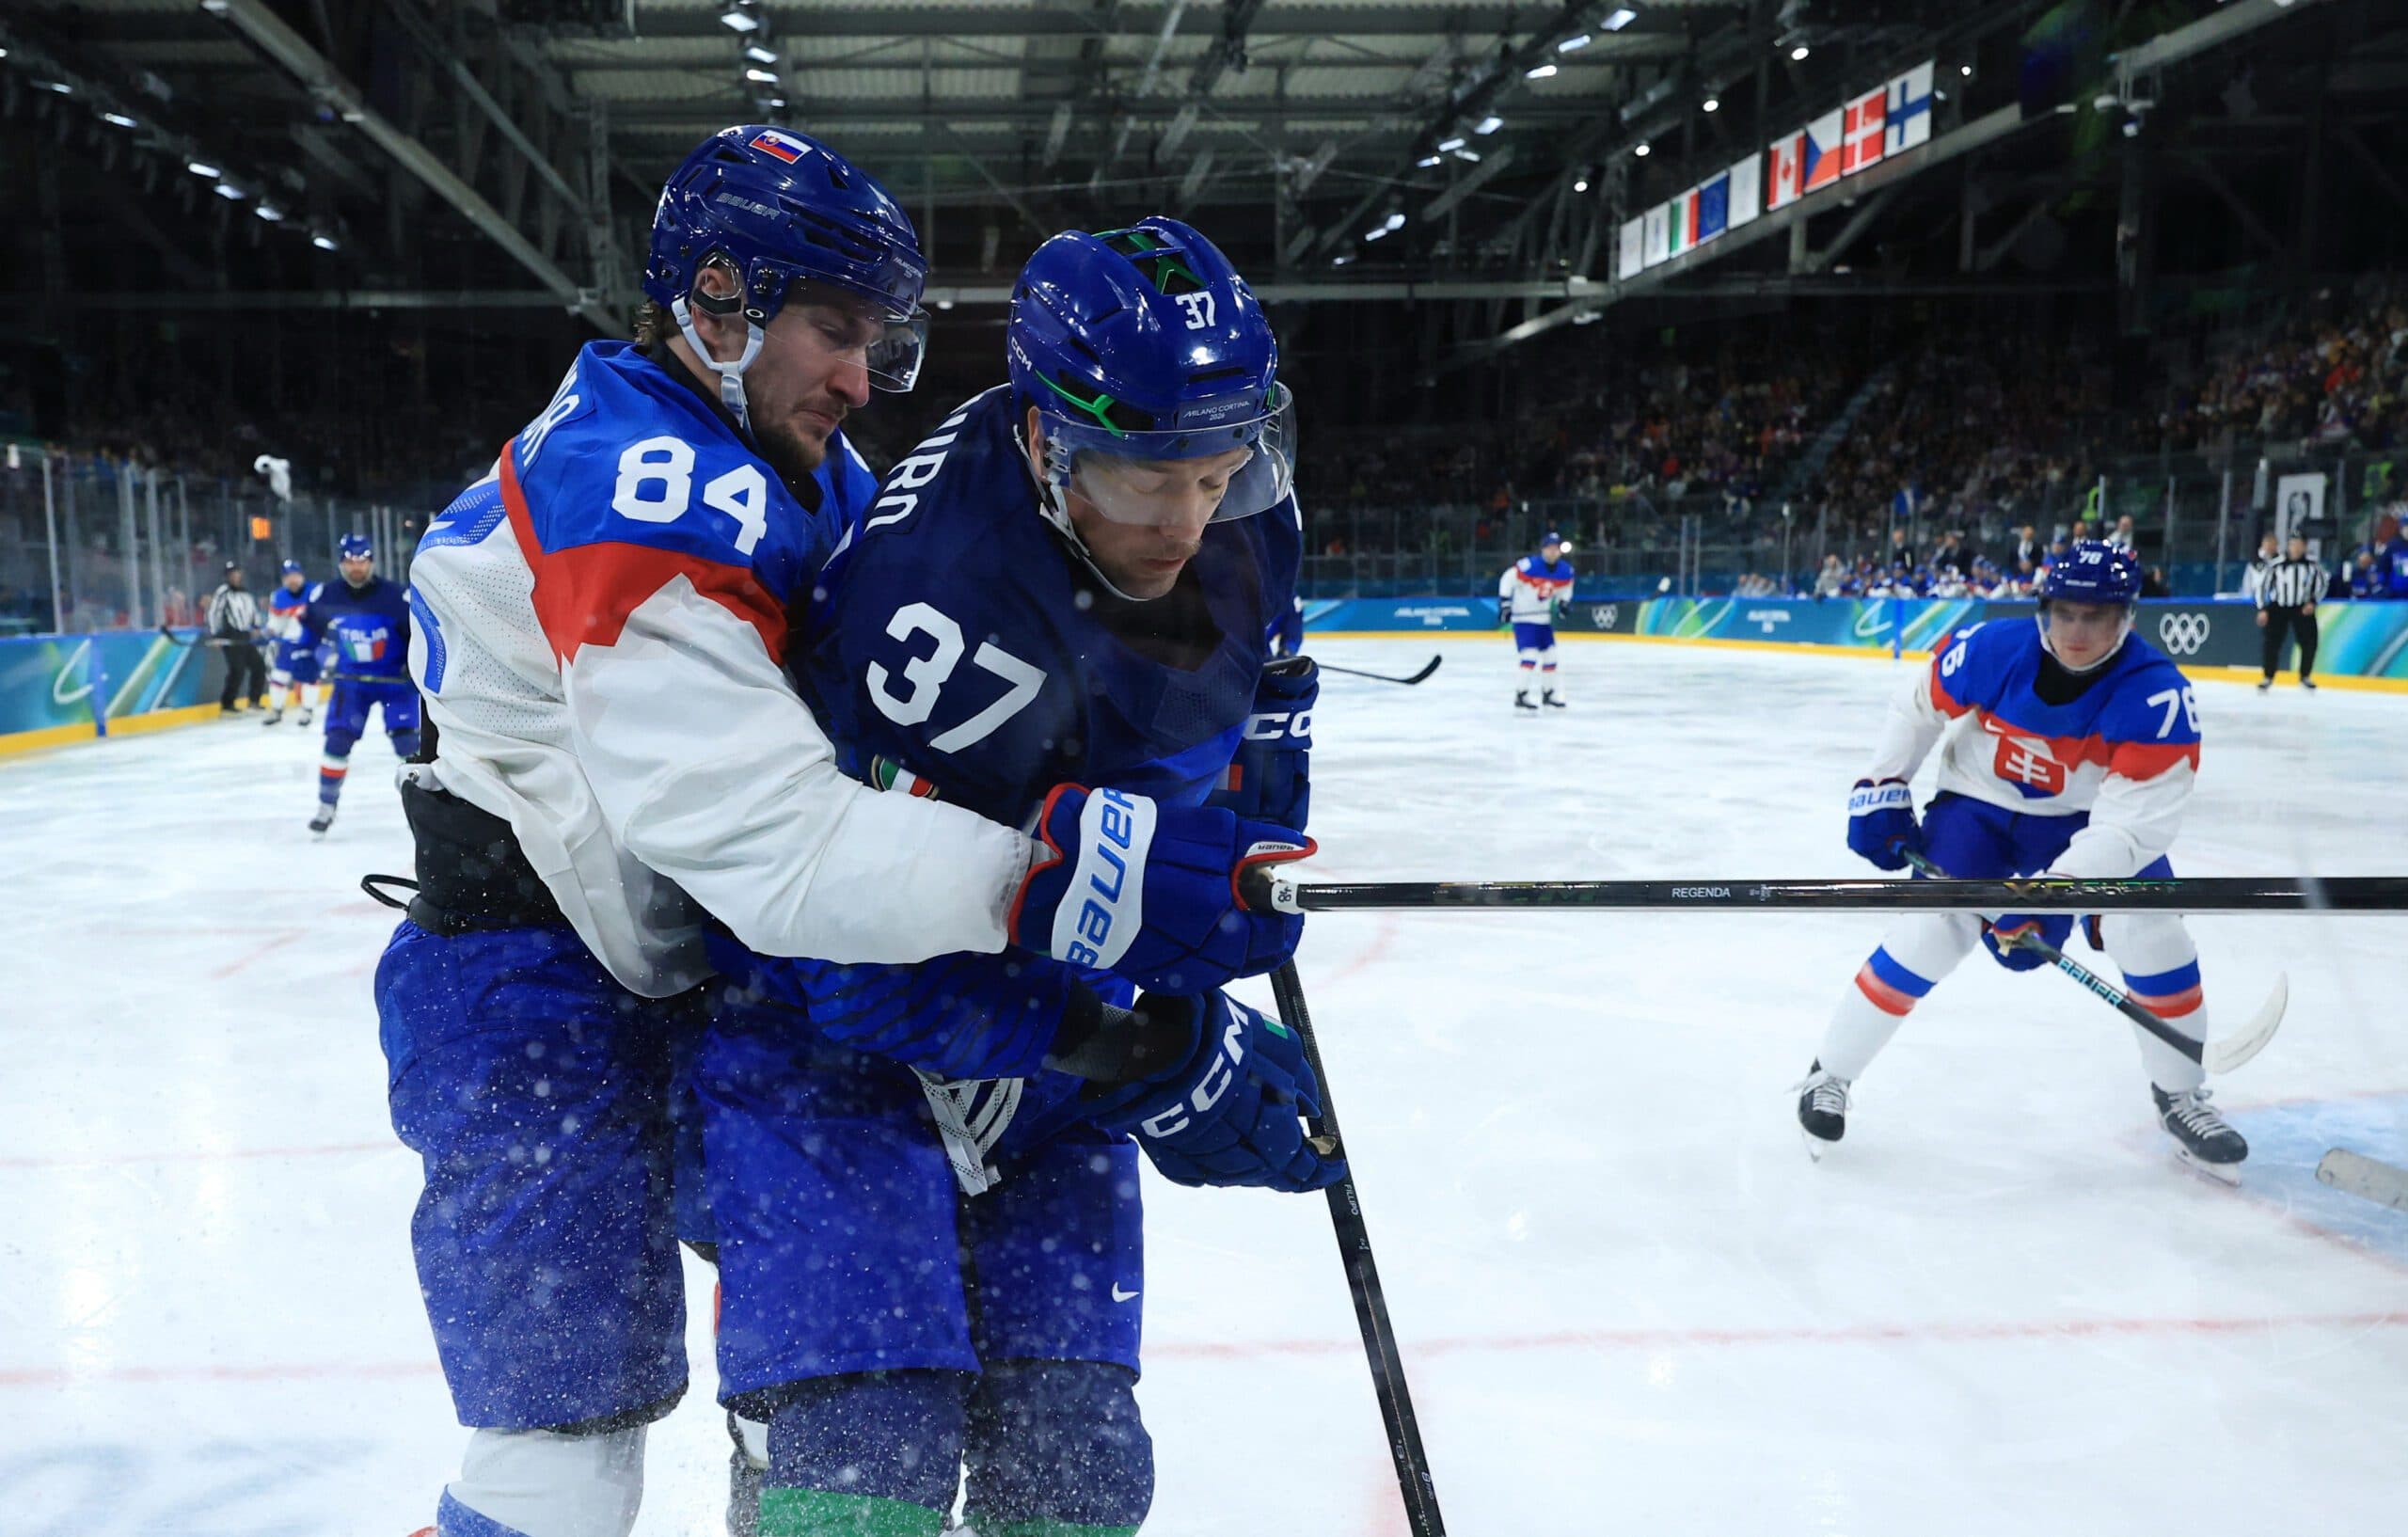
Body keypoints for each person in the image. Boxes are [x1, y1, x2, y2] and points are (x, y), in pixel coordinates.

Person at [378, 135, 1302, 1537]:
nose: (863, 379)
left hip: (686, 975)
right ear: (716, 298)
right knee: (558, 1456)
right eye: (833, 329)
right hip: (536, 991)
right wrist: (1063, 886)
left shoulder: (800, 468)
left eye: (880, 339)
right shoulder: (642, 485)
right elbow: (777, 845)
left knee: (818, 1396)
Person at [697, 216, 1331, 1537]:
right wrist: (1148, 1050)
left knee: (1076, 1474)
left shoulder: (1235, 485)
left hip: (1043, 1035)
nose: (1187, 522)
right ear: (1046, 440)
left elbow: (1264, 674)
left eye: (1216, 474)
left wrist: (1254, 812)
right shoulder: (925, 613)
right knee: (858, 1473)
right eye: (1145, 482)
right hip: (826, 1061)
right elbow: (845, 964)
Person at [1796, 542, 2247, 1181]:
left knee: (2150, 929)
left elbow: (2130, 826)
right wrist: (1884, 783)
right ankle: (1830, 1074)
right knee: (1934, 928)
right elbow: (1918, 705)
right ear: (2044, 609)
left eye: (2097, 617)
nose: (2078, 632)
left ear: (2126, 617)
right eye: (2066, 614)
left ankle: (2180, 1095)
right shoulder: (1993, 648)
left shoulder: (2157, 697)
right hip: (1979, 808)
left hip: (2086, 826)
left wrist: (2053, 894)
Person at [296, 534, 416, 834]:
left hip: (394, 683)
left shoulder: (396, 596)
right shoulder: (326, 595)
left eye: (362, 561)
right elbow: (309, 632)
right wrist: (304, 655)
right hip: (351, 686)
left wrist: (415, 666)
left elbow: (419, 636)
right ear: (341, 563)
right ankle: (326, 806)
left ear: (371, 562)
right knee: (337, 741)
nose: (356, 567)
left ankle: (420, 812)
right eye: (350, 561)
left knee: (409, 746)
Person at [1497, 530, 1576, 710]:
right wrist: (1505, 603)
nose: (1553, 552)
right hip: (1525, 620)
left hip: (1543, 621)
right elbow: (1507, 579)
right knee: (1530, 656)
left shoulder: (1566, 571)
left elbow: (1565, 590)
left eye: (1556, 548)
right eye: (1549, 548)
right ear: (1543, 549)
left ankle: (1548, 693)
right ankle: (1521, 694)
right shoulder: (1529, 566)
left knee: (1551, 657)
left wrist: (1564, 603)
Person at [2255, 532, 2329, 692]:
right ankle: (2268, 676)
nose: (2295, 548)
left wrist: (2313, 602)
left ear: (2304, 546)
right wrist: (2262, 608)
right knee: (2271, 642)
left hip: (2302, 607)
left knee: (2310, 642)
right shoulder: (2276, 565)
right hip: (2279, 606)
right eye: (2292, 544)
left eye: (2299, 544)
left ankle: (2305, 676)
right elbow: (2261, 586)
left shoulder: (2313, 565)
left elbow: (2323, 584)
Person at [260, 559, 318, 726]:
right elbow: (276, 622)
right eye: (288, 577)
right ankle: (276, 710)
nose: (292, 580)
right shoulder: (278, 596)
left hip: (310, 641)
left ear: (301, 576)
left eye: (295, 575)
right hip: (289, 642)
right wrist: (269, 630)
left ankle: (307, 710)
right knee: (279, 675)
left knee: (309, 676)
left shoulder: (315, 591)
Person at [204, 560, 266, 714]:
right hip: (230, 635)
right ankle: (227, 704)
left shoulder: (246, 593)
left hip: (245, 636)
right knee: (237, 670)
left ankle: (254, 701)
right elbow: (214, 613)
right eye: (231, 574)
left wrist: (256, 626)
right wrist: (215, 634)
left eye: (236, 573)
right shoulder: (223, 592)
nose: (234, 576)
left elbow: (253, 611)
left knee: (259, 666)